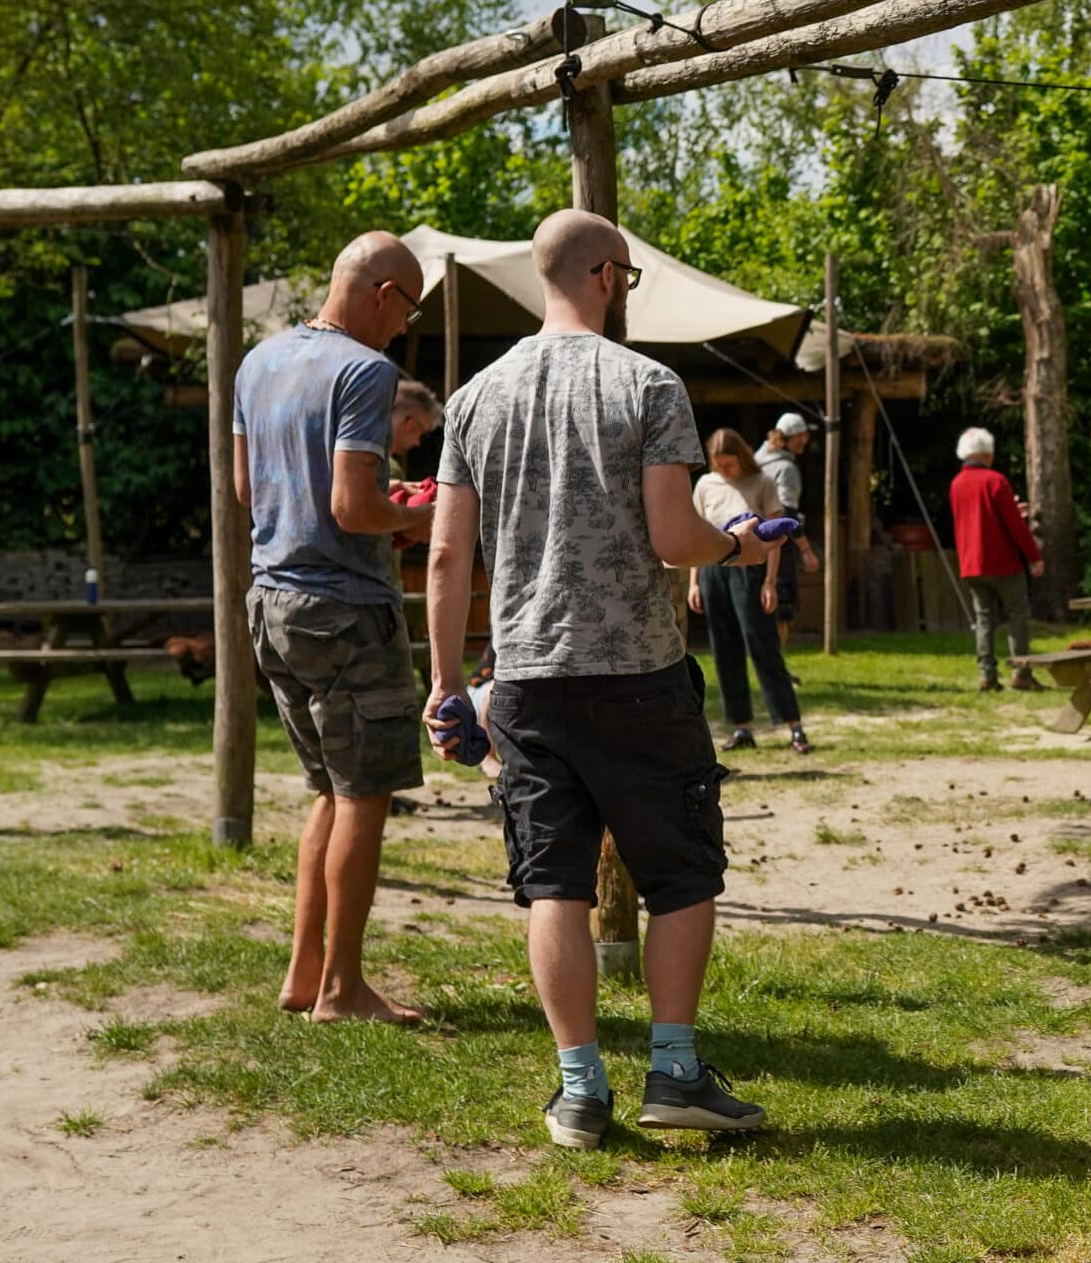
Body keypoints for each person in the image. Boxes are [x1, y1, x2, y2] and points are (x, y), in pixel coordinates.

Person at [424, 208, 773, 1150]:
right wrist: (737, 547)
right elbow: (674, 536)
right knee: (682, 875)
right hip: (639, 673)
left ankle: (580, 1093)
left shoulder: (473, 398)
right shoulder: (649, 384)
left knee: (555, 886)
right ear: (610, 276)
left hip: (526, 678)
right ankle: (675, 1073)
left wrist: (448, 683)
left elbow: (448, 555)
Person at [231, 231, 434, 1025]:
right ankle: (343, 991)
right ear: (384, 294)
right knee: (364, 796)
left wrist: (376, 508)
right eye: (407, 312)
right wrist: (416, 519)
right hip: (345, 611)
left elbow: (247, 489)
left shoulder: (258, 361)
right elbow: (353, 508)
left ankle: (304, 973)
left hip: (271, 602)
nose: (404, 330)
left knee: (328, 791)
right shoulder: (366, 371)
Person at [691, 427, 810, 754]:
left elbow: (776, 539)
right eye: (718, 464)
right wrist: (694, 582)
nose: (723, 470)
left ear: (742, 457)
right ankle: (741, 727)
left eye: (728, 464)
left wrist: (770, 582)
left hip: (751, 571)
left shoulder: (763, 482)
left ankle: (794, 726)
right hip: (713, 571)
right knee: (724, 649)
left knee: (763, 645)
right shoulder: (705, 484)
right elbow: (697, 535)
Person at [947, 427, 1044, 692]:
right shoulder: (996, 480)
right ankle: (1021, 672)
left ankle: (987, 675)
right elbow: (1014, 526)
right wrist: (1034, 557)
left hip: (971, 563)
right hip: (1002, 562)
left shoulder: (956, 484)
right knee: (1017, 616)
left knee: (984, 620)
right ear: (987, 454)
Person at [754, 412, 822, 643]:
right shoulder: (786, 469)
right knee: (782, 608)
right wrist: (806, 551)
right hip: (779, 548)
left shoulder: (755, 462)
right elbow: (786, 515)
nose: (806, 440)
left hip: (751, 545)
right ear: (793, 437)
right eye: (803, 435)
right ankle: (778, 660)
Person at [388, 378, 443, 481]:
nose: (417, 443)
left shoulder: (360, 452)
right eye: (422, 435)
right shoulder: (390, 471)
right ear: (411, 425)